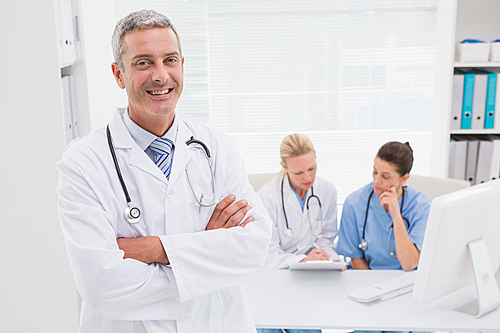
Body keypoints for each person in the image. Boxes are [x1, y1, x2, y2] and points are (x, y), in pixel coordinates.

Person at [57, 10, 271, 333]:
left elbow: (253, 246)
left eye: (169, 60)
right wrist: (205, 253)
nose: (160, 75)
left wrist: (153, 249)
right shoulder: (82, 164)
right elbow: (101, 284)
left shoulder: (216, 148)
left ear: (182, 65)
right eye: (143, 62)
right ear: (118, 74)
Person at [337, 141, 430, 333]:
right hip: (368, 287)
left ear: (404, 178)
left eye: (385, 176)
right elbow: (355, 258)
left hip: (408, 289)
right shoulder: (355, 203)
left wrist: (396, 215)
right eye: (374, 172)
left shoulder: (421, 207)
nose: (376, 181)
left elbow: (409, 264)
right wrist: (374, 293)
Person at [256, 134, 338, 333]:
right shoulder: (267, 198)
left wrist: (330, 260)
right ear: (284, 167)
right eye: (299, 172)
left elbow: (326, 238)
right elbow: (268, 253)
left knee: (307, 329)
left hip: (308, 280)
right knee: (268, 328)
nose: (308, 178)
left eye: (312, 169)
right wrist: (302, 260)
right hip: (273, 279)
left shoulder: (326, 190)